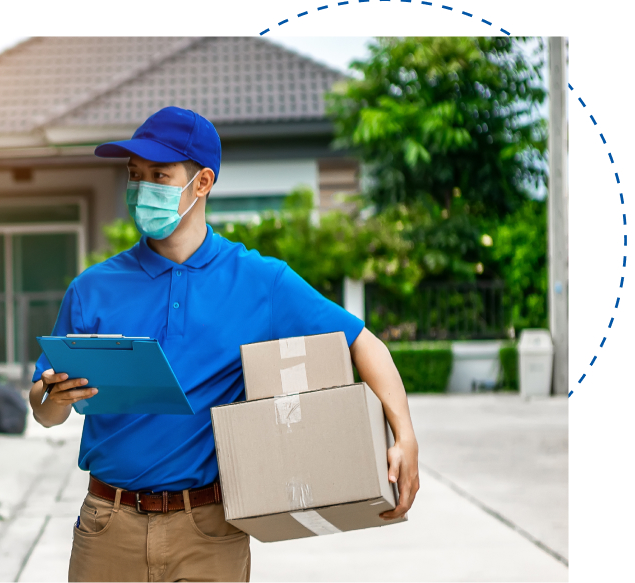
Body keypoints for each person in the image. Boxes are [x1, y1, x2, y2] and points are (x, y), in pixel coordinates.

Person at [29, 106, 420, 582]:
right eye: (134, 175)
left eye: (159, 175)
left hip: (209, 531)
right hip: (108, 525)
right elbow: (45, 412)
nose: (142, 189)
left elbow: (365, 343)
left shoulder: (261, 282)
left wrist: (404, 436)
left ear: (202, 183)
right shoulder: (92, 288)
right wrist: (53, 397)